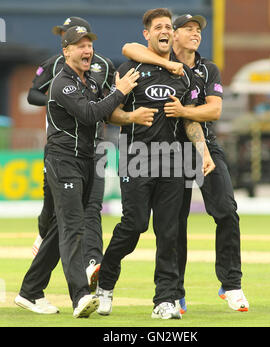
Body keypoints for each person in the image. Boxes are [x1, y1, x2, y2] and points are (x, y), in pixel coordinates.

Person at [16, 26, 156, 318]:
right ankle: (80, 295)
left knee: (59, 229)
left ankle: (30, 291)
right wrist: (120, 91)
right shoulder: (62, 83)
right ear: (66, 51)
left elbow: (105, 110)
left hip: (88, 159)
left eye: (89, 45)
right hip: (64, 159)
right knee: (72, 227)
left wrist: (129, 109)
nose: (87, 50)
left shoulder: (90, 82)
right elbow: (92, 114)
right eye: (79, 45)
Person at [122, 13, 249, 312]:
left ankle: (231, 284)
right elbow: (129, 47)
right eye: (188, 29)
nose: (195, 33)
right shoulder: (156, 60)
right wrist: (167, 64)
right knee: (172, 225)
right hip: (170, 151)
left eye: (198, 30)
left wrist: (184, 113)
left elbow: (214, 111)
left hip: (204, 145)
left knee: (227, 211)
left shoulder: (208, 69)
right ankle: (174, 292)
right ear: (173, 35)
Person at [96, 8, 215, 320]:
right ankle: (105, 286)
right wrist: (132, 116)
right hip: (137, 158)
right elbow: (111, 114)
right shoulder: (131, 67)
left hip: (174, 161)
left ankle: (165, 300)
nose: (164, 30)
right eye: (158, 27)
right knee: (134, 226)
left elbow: (190, 120)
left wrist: (203, 152)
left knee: (169, 233)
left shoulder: (184, 75)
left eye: (167, 26)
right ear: (147, 34)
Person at [29, 17, 115, 288]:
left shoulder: (104, 66)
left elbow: (108, 100)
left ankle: (92, 264)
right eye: (66, 35)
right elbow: (32, 94)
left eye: (83, 40)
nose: (68, 38)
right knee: (52, 210)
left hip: (93, 146)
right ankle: (42, 241)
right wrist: (63, 101)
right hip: (61, 146)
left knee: (90, 209)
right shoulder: (54, 65)